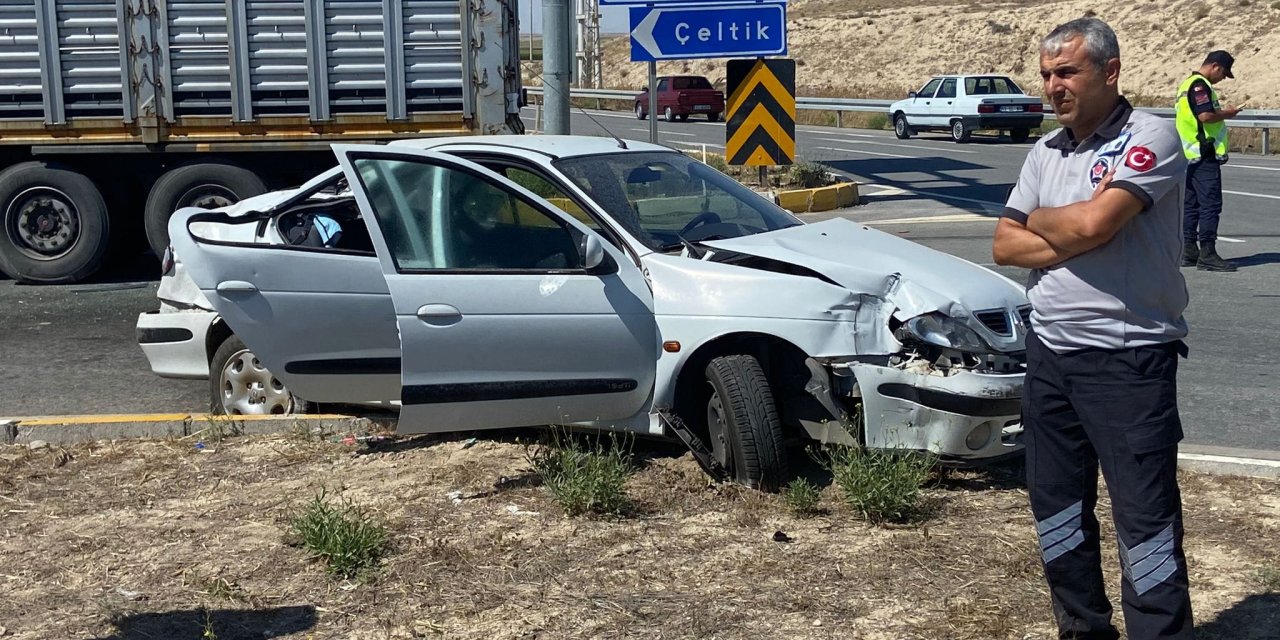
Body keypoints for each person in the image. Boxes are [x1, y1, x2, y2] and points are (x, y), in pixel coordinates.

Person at [992, 17, 1194, 640]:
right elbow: (1004, 243)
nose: (1054, 87)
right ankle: (1081, 630)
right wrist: (1075, 227)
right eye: (1047, 74)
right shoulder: (1045, 150)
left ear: (1110, 72)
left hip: (1128, 361)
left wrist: (1055, 223)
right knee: (1057, 510)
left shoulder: (1150, 137)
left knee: (1146, 522)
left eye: (1068, 72)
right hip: (1050, 355)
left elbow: (1094, 226)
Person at [1175, 50, 1241, 271]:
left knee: (1191, 204)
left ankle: (1189, 251)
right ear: (1215, 66)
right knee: (1210, 204)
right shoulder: (1200, 85)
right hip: (1204, 153)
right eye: (1224, 73)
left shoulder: (1186, 84)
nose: (1222, 78)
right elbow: (1205, 116)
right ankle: (1208, 254)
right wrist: (1227, 113)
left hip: (1189, 154)